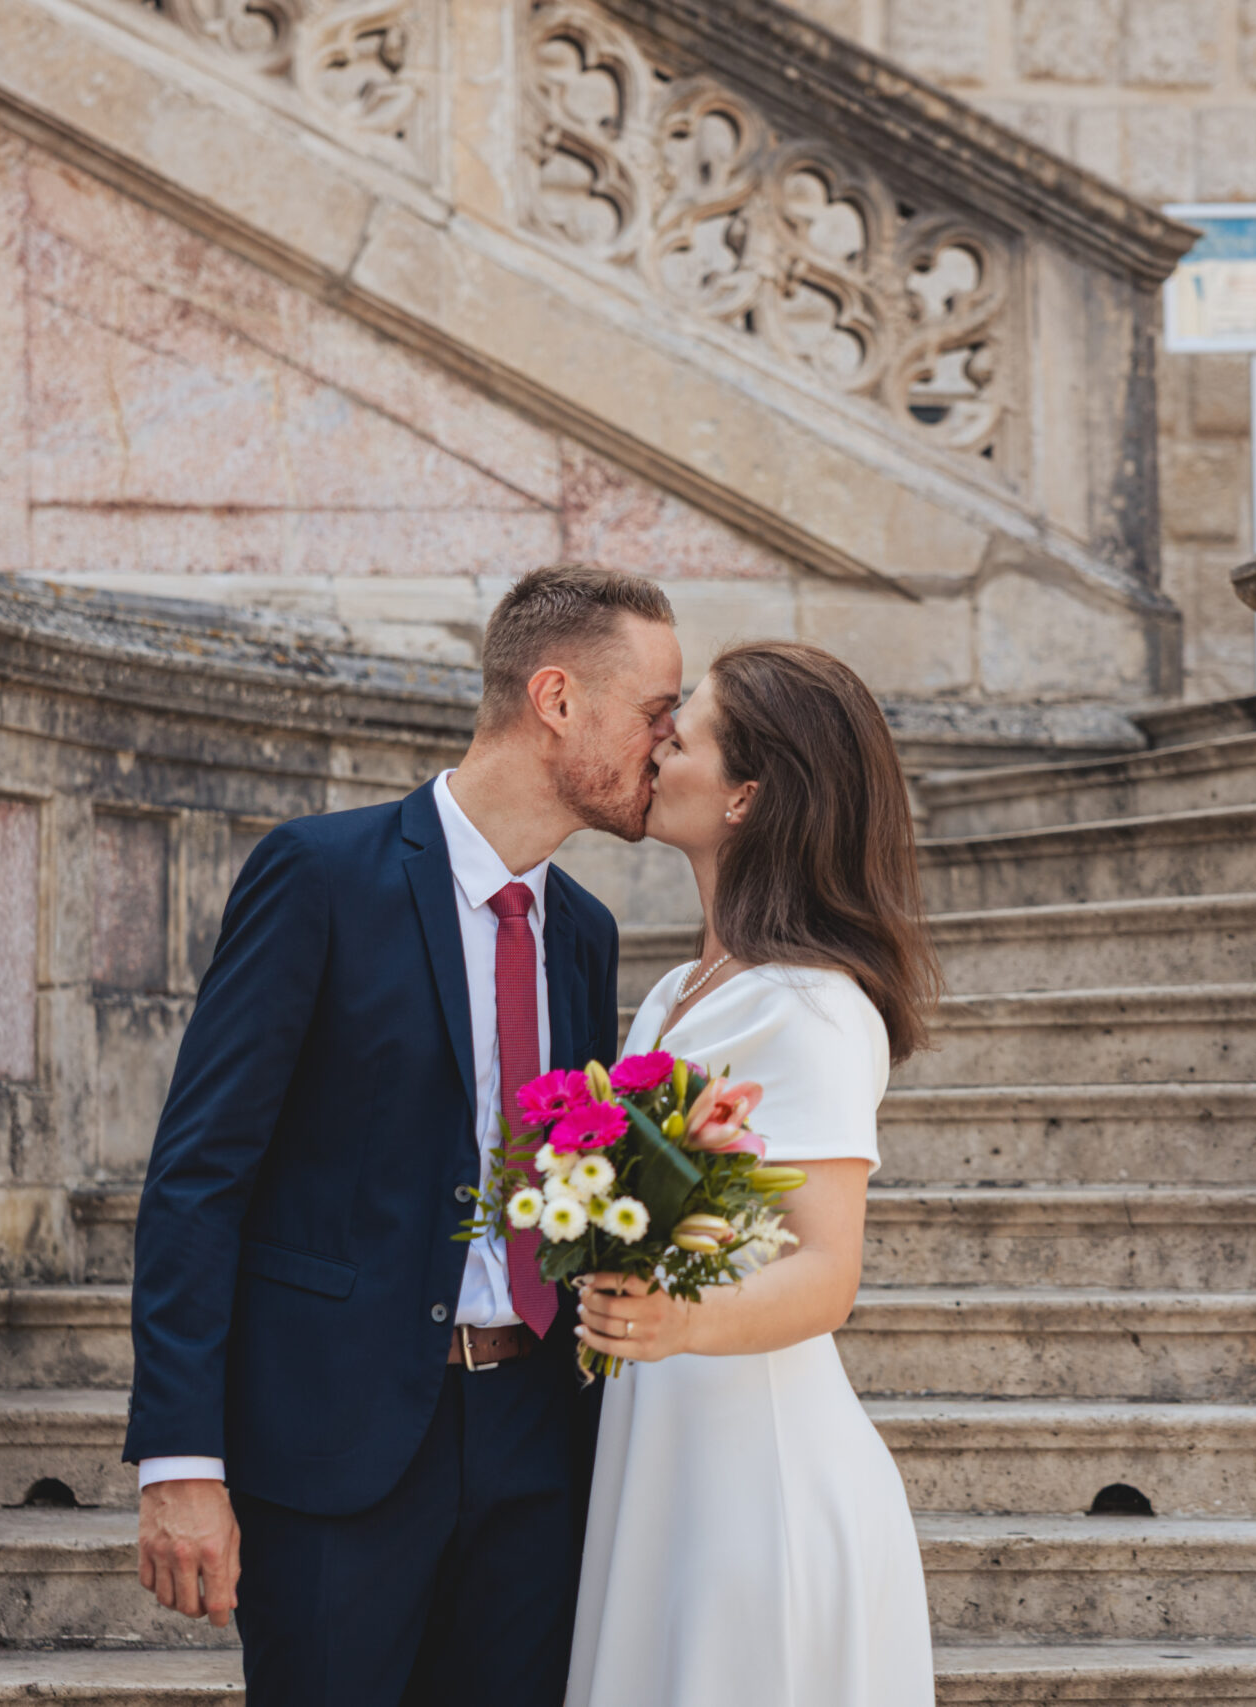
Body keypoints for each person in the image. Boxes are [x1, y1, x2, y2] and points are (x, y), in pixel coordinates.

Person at [124, 564, 683, 1707]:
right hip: (340, 1442)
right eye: (656, 712)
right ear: (558, 699)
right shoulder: (320, 875)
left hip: (535, 1440)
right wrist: (180, 1461)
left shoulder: (582, 931)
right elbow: (199, 1175)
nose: (669, 746)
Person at [564, 640, 942, 1707]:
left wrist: (674, 1323)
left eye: (677, 735)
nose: (652, 743)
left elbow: (827, 1273)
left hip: (753, 1481)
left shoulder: (811, 1009)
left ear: (744, 798)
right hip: (661, 1456)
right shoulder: (680, 991)